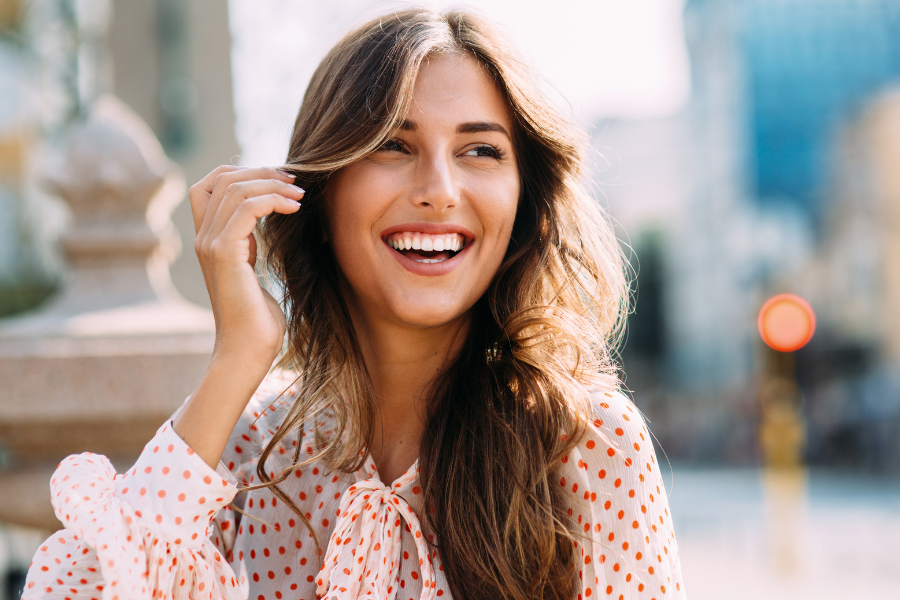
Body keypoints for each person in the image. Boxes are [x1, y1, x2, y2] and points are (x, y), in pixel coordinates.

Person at [23, 8, 685, 600]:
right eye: (393, 146)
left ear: (524, 200)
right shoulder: (248, 446)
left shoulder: (586, 442)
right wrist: (237, 360)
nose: (439, 189)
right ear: (318, 190)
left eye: (480, 150)